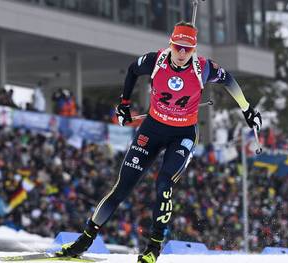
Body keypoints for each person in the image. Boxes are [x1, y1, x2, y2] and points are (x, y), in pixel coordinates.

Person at [57, 21, 262, 263]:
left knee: (164, 184)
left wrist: (248, 109)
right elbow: (133, 70)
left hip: (183, 134)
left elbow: (229, 81)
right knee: (122, 187)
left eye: (188, 48)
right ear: (171, 44)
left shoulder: (204, 68)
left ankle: (153, 247)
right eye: (178, 46)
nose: (182, 53)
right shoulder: (155, 61)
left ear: (194, 49)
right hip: (152, 129)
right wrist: (124, 105)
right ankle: (84, 240)